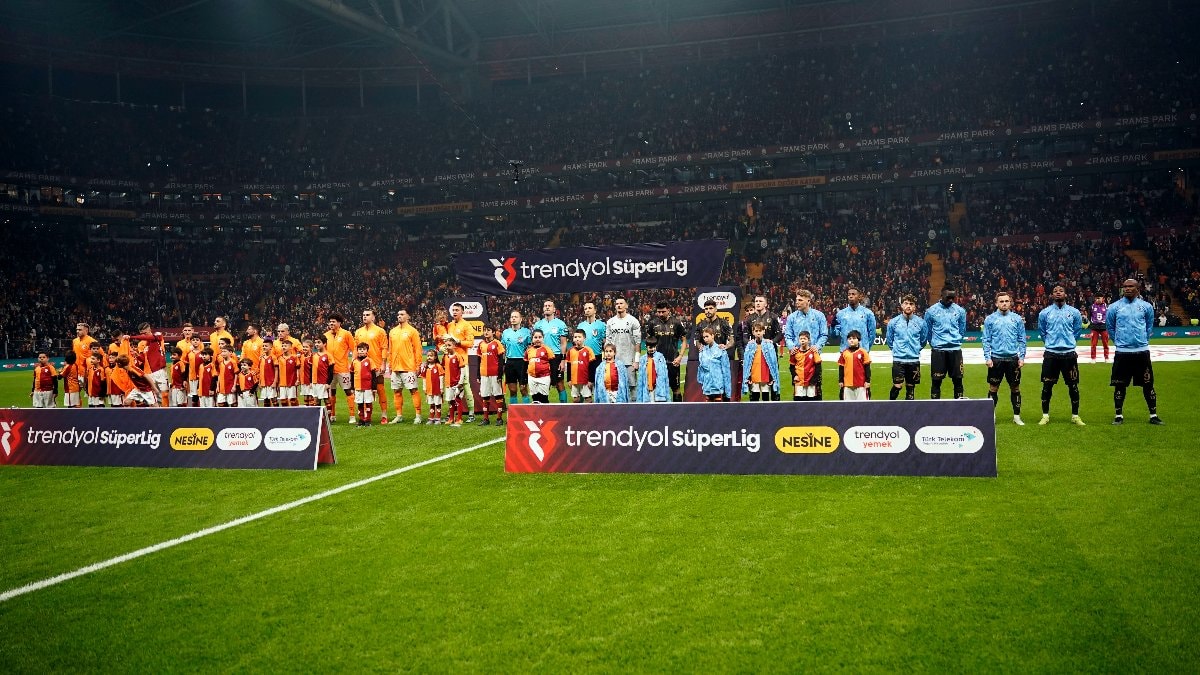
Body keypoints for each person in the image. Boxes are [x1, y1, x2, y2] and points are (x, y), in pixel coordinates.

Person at [1107, 278, 1163, 425]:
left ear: (1138, 289)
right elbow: (1110, 327)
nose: (1127, 288)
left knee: (1148, 384)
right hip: (1122, 352)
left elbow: (1149, 325)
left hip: (1141, 352)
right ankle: (1118, 416)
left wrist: (1143, 340)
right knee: (1119, 385)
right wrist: (1118, 342)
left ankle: (1153, 415)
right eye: (1125, 286)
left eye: (1131, 286)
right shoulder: (1114, 307)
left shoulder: (1146, 307)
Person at [1037, 285, 1086, 426]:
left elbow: (1077, 331)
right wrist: (1050, 343)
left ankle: (1075, 416)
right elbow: (1042, 331)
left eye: (1061, 291)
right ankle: (1045, 415)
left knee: (1073, 386)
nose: (1058, 293)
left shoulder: (1074, 312)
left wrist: (1069, 343)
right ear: (1052, 295)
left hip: (1069, 355)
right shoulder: (1044, 313)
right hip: (1051, 354)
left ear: (1066, 294)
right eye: (1055, 291)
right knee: (1047, 386)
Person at [982, 291, 1027, 425]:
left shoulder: (1017, 319)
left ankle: (1017, 416)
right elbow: (986, 340)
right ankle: (991, 416)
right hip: (996, 359)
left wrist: (1022, 357)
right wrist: (987, 357)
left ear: (1010, 303)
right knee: (993, 388)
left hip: (1013, 359)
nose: (1004, 303)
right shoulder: (990, 319)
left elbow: (1022, 339)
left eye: (1006, 301)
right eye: (1001, 301)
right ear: (996, 303)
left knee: (1015, 388)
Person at [925, 287, 968, 400]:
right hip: (938, 350)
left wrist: (956, 341)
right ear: (941, 296)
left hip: (955, 350)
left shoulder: (960, 311)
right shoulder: (931, 311)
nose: (951, 300)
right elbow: (928, 331)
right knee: (936, 381)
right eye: (948, 297)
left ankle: (959, 407)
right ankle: (935, 408)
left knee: (958, 381)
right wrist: (934, 343)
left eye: (953, 298)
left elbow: (962, 329)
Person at [784, 290, 828, 397]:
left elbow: (824, 334)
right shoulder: (792, 317)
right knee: (798, 390)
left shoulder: (819, 316)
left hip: (814, 358)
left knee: (815, 389)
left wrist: (817, 346)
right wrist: (791, 347)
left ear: (808, 301)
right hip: (797, 358)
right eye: (796, 300)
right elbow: (788, 336)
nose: (797, 302)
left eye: (800, 300)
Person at [885, 294, 928, 401]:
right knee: (897, 386)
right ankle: (889, 405)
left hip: (914, 360)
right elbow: (890, 340)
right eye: (906, 303)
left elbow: (923, 340)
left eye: (911, 304)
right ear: (902, 305)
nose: (908, 306)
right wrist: (897, 350)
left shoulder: (921, 322)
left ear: (914, 307)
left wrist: (916, 349)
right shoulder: (893, 322)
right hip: (898, 359)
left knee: (911, 388)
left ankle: (909, 410)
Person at [740, 295, 782, 400]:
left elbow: (780, 334)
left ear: (766, 304)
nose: (758, 303)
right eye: (756, 301)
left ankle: (775, 404)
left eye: (760, 301)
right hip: (754, 354)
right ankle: (754, 404)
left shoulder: (773, 316)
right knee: (753, 381)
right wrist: (750, 343)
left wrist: (772, 341)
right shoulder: (749, 318)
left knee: (772, 378)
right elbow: (744, 336)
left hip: (770, 353)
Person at [387, 308, 424, 425]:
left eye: (402, 314)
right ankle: (399, 415)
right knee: (396, 392)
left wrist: (418, 365)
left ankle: (418, 415)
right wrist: (390, 365)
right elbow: (390, 350)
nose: (399, 316)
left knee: (413, 390)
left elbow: (418, 349)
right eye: (398, 314)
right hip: (395, 367)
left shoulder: (413, 331)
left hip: (409, 367)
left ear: (408, 316)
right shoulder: (392, 331)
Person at [645, 301, 688, 402]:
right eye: (658, 312)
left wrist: (680, 357)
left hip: (673, 361)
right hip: (657, 362)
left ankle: (678, 411)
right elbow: (648, 342)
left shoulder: (676, 323)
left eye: (663, 311)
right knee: (656, 388)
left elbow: (684, 340)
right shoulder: (652, 323)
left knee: (676, 388)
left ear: (668, 310)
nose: (660, 314)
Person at [355, 310, 390, 423]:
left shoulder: (380, 331)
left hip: (376, 365)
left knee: (380, 390)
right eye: (363, 315)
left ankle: (384, 414)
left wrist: (383, 363)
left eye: (367, 315)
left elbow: (384, 348)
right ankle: (365, 415)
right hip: (362, 367)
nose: (364, 317)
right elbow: (356, 349)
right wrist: (355, 362)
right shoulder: (358, 332)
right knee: (363, 391)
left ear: (373, 317)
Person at [532, 299, 570, 403]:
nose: (547, 307)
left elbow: (563, 343)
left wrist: (563, 360)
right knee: (543, 383)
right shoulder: (538, 325)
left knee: (559, 383)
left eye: (550, 306)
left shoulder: (561, 324)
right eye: (545, 306)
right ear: (543, 309)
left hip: (556, 357)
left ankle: (564, 408)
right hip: (542, 357)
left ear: (554, 309)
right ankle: (544, 407)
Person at [605, 297, 642, 400]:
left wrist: (636, 361)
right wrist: (606, 358)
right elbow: (608, 342)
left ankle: (633, 407)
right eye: (617, 304)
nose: (619, 305)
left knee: (632, 387)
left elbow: (637, 342)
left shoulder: (633, 321)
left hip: (629, 361)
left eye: (621, 303)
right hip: (614, 361)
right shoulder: (610, 322)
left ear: (626, 305)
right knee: (615, 387)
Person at [447, 302, 478, 421]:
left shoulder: (467, 325)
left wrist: (458, 342)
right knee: (450, 386)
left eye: (457, 310)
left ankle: (471, 413)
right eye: (453, 310)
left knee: (465, 386)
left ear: (462, 312)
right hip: (450, 361)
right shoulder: (450, 325)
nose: (454, 312)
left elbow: (470, 343)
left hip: (462, 361)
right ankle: (451, 413)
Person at [324, 314, 356, 423]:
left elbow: (354, 348)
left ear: (339, 323)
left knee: (348, 391)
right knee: (331, 392)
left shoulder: (346, 334)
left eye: (333, 321)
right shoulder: (326, 335)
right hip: (330, 370)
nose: (331, 323)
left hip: (343, 368)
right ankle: (332, 415)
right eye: (330, 321)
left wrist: (353, 361)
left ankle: (352, 416)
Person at [833, 287, 877, 363]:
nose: (851, 296)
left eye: (853, 294)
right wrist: (833, 329)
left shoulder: (868, 313)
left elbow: (872, 334)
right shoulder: (840, 314)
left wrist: (866, 348)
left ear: (859, 297)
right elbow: (835, 334)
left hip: (862, 352)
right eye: (849, 294)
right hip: (845, 352)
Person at [130, 323, 169, 407]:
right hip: (148, 373)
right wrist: (136, 355)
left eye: (145, 333)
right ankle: (157, 412)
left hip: (160, 370)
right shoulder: (141, 344)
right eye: (142, 334)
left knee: (164, 394)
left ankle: (166, 412)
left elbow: (150, 337)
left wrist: (131, 337)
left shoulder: (157, 335)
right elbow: (143, 359)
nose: (143, 336)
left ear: (149, 329)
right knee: (153, 396)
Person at [742, 322, 780, 402]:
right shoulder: (750, 345)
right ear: (753, 332)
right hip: (754, 375)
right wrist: (747, 376)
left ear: (764, 331)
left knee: (765, 397)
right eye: (756, 331)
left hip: (765, 375)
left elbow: (773, 362)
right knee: (754, 397)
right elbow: (747, 363)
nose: (758, 333)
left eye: (760, 331)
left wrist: (772, 376)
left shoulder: (769, 345)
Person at [477, 324, 506, 424]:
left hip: (495, 374)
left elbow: (501, 360)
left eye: (488, 330)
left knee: (498, 395)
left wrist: (500, 374)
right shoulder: (481, 344)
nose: (486, 332)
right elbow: (478, 360)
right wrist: (478, 374)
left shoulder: (497, 343)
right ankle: (486, 419)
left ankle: (499, 418)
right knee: (485, 395)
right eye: (484, 330)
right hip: (484, 374)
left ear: (493, 332)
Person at [501, 310, 532, 406]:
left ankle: (526, 411)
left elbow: (530, 348)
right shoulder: (505, 332)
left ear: (520, 319)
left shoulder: (526, 332)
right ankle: (514, 413)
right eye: (512, 317)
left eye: (516, 317)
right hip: (510, 362)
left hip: (522, 362)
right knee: (512, 390)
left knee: (523, 389)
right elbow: (503, 349)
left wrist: (529, 363)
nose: (513, 318)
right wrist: (503, 363)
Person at [696, 327, 731, 402]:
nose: (705, 339)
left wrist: (727, 389)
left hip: (717, 382)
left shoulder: (720, 349)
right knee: (708, 405)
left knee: (717, 406)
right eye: (704, 337)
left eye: (707, 336)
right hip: (707, 383)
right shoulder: (703, 350)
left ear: (712, 336)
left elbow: (726, 370)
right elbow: (701, 367)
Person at [576, 301, 607, 386]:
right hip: (583, 357)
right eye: (585, 308)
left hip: (597, 357)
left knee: (598, 383)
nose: (587, 310)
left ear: (595, 310)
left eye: (590, 308)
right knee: (584, 384)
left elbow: (605, 342)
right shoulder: (580, 326)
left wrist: (605, 356)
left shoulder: (602, 325)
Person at [838, 330, 872, 401]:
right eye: (849, 339)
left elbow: (867, 367)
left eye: (854, 338)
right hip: (847, 384)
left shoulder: (863, 352)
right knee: (848, 405)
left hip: (861, 384)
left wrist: (867, 381)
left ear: (858, 340)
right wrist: (841, 380)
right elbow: (841, 367)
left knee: (862, 404)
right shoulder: (844, 353)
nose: (851, 340)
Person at [565, 329, 596, 404]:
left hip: (585, 381)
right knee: (576, 400)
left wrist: (591, 380)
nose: (577, 339)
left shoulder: (589, 350)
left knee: (588, 399)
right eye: (575, 337)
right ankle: (577, 412)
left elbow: (592, 367)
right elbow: (569, 366)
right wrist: (569, 380)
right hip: (574, 380)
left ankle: (589, 412)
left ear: (584, 338)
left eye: (579, 337)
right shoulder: (570, 351)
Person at [636, 336, 671, 403]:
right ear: (646, 346)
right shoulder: (643, 359)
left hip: (659, 389)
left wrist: (667, 395)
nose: (653, 349)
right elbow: (640, 378)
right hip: (648, 389)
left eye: (654, 347)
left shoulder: (660, 357)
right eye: (650, 347)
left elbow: (665, 376)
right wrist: (639, 398)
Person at [441, 335, 465, 427]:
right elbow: (443, 367)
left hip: (456, 383)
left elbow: (462, 370)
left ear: (454, 346)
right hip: (448, 383)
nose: (447, 347)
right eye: (446, 345)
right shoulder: (445, 357)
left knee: (457, 400)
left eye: (449, 345)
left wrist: (460, 382)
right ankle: (451, 418)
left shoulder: (458, 356)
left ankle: (459, 418)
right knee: (450, 401)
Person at [525, 328, 554, 404]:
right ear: (532, 339)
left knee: (543, 398)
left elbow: (552, 364)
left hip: (544, 377)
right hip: (532, 377)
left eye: (540, 337)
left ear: (543, 338)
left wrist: (553, 379)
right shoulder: (529, 350)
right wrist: (523, 379)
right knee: (535, 399)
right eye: (535, 337)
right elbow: (525, 364)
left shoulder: (547, 349)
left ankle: (546, 412)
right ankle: (536, 412)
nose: (537, 339)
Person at [791, 331, 822, 401]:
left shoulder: (813, 352)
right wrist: (794, 375)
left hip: (810, 381)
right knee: (799, 401)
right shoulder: (795, 352)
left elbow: (818, 366)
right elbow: (792, 366)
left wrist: (814, 379)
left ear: (809, 340)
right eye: (801, 339)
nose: (802, 340)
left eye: (804, 339)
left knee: (811, 401)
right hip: (799, 381)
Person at [71, 323, 97, 404]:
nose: (77, 331)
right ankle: (77, 409)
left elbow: (99, 356)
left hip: (88, 372)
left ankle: (93, 409)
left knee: (91, 395)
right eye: (77, 329)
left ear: (86, 330)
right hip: (76, 372)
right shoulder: (75, 341)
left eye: (80, 330)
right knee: (75, 395)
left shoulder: (92, 341)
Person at [352, 342, 375, 427]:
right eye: (360, 349)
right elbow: (351, 374)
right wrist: (352, 387)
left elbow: (373, 375)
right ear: (357, 351)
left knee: (368, 403)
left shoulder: (370, 361)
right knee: (360, 403)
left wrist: (374, 387)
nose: (361, 351)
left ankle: (368, 420)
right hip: (357, 386)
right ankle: (361, 419)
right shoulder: (354, 361)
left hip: (367, 387)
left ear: (367, 351)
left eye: (364, 349)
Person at [419, 348, 445, 424]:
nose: (429, 357)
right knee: (431, 404)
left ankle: (438, 418)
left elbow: (441, 377)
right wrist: (424, 388)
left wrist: (441, 388)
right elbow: (424, 378)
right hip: (429, 390)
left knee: (438, 404)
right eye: (428, 356)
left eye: (431, 356)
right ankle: (431, 418)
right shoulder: (426, 367)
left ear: (435, 357)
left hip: (437, 389)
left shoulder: (438, 366)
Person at [311, 336, 334, 418]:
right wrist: (311, 381)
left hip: (324, 382)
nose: (316, 344)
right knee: (316, 400)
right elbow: (311, 369)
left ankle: (328, 418)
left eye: (319, 342)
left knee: (327, 400)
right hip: (315, 382)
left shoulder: (328, 355)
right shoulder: (314, 355)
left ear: (324, 344)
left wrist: (328, 383)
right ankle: (318, 418)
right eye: (315, 342)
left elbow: (331, 371)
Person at [277, 339, 300, 407]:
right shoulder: (279, 358)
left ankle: (296, 412)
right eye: (282, 346)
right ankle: (285, 413)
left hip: (292, 382)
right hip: (282, 383)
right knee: (283, 400)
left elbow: (298, 369)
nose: (283, 347)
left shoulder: (294, 357)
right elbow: (277, 370)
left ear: (290, 347)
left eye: (285, 346)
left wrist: (298, 379)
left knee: (293, 400)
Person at [1089, 294, 1110, 363]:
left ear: (1103, 298)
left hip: (1104, 327)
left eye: (1099, 298)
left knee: (1105, 343)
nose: (1098, 299)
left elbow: (1109, 316)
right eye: (1097, 298)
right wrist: (1092, 324)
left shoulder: (1107, 306)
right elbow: (1089, 316)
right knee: (1093, 344)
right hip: (1095, 327)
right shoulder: (1091, 307)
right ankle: (1093, 358)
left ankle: (1106, 357)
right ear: (1095, 299)